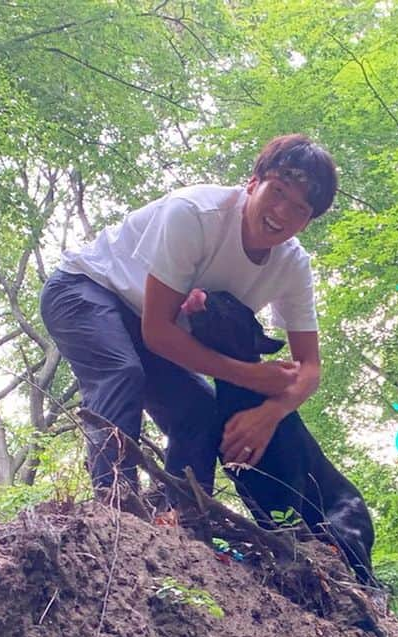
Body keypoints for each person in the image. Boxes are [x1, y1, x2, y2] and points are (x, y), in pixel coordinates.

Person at [39, 133, 338, 510]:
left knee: (200, 410)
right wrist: (249, 374)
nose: (282, 213)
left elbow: (309, 367)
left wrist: (271, 412)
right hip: (85, 289)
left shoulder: (293, 266)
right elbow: (158, 331)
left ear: (307, 222)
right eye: (277, 192)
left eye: (299, 209)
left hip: (147, 325)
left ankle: (184, 525)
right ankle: (116, 510)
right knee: (121, 373)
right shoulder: (195, 214)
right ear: (253, 183)